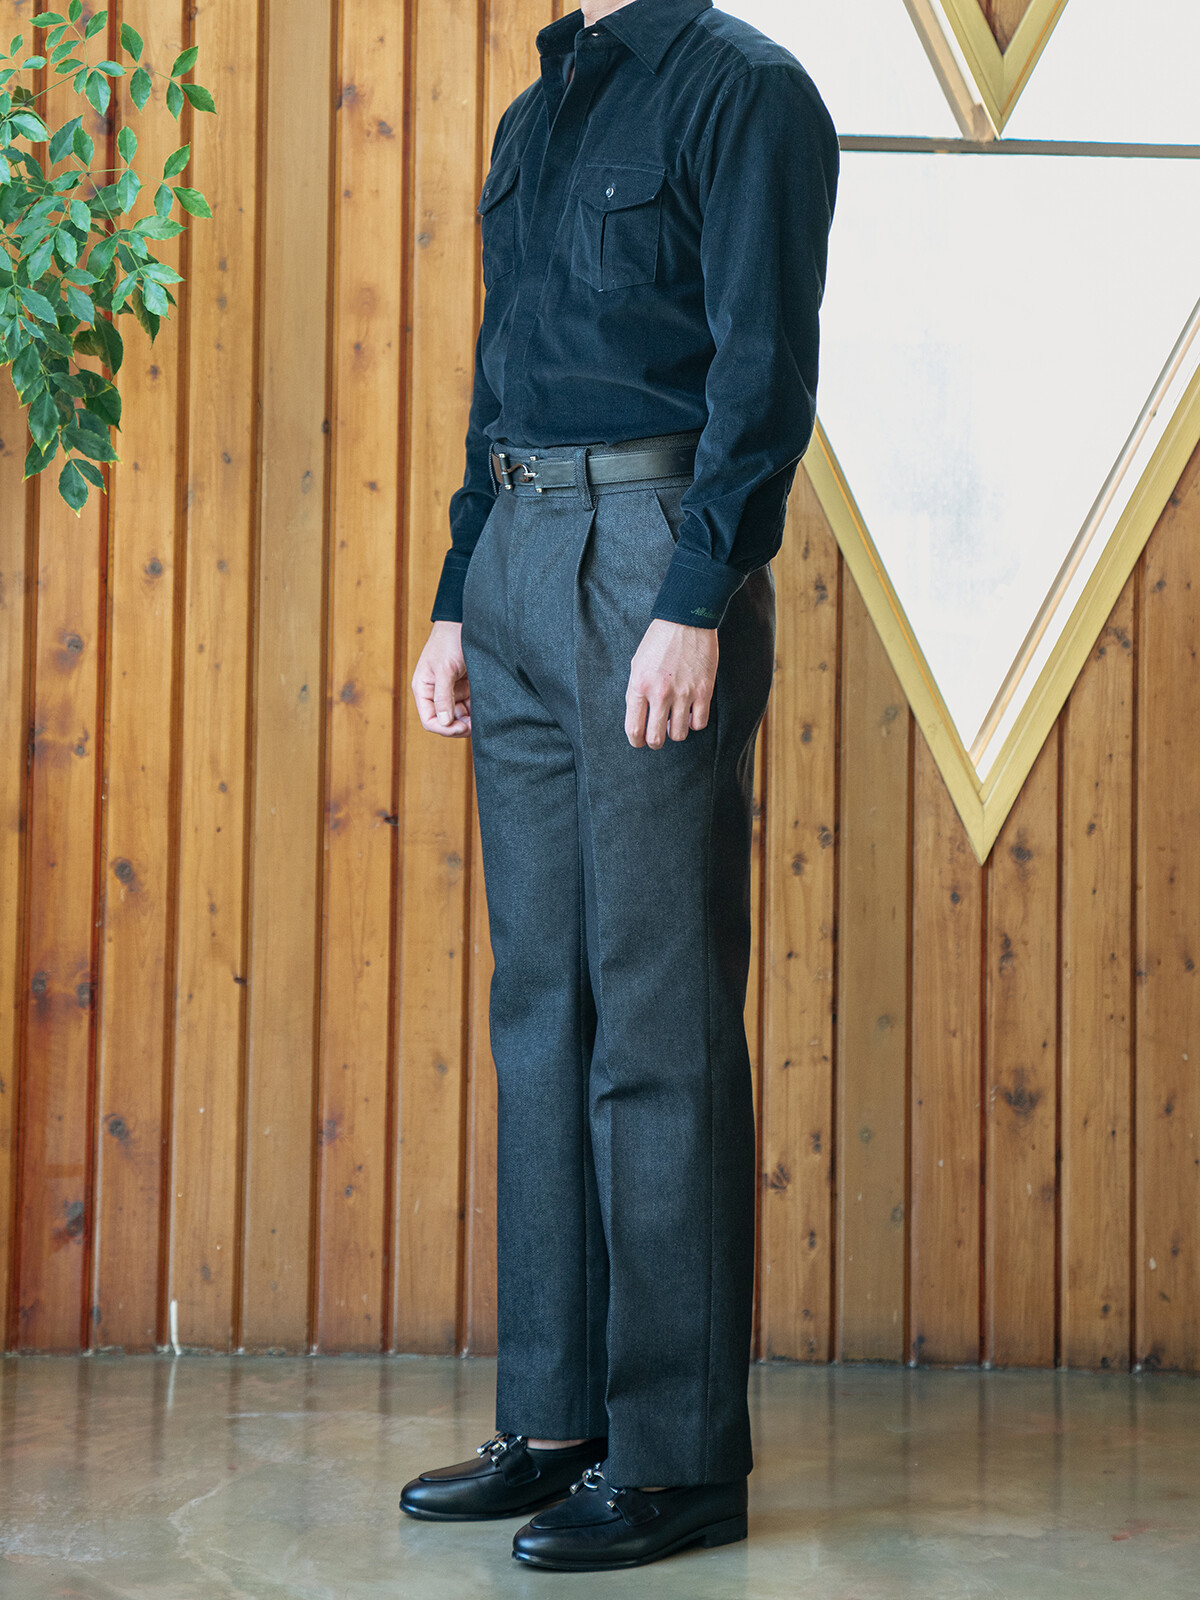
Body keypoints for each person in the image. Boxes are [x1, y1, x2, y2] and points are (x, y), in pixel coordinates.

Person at [401, 0, 838, 1573]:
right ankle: (556, 1421)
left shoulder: (748, 94)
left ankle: (675, 1458)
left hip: (651, 559)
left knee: (654, 1013)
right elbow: (501, 370)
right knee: (543, 1009)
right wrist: (459, 593)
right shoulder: (542, 110)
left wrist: (697, 595)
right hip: (519, 556)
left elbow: (764, 371)